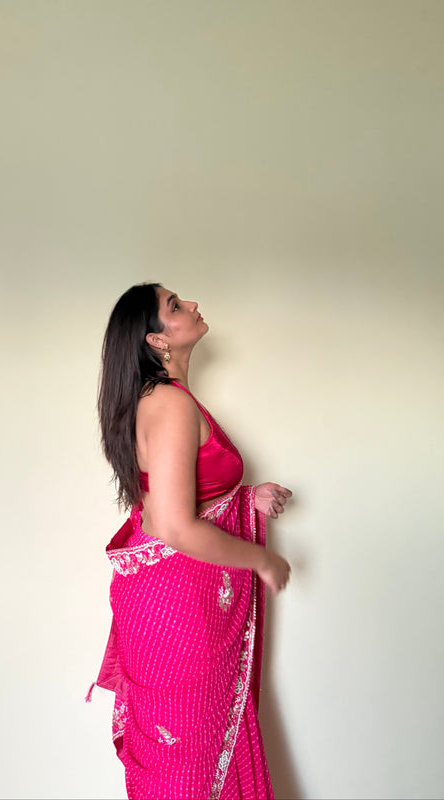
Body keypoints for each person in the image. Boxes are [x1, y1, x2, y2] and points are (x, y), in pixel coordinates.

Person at [87, 283, 292, 800]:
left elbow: (169, 500)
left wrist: (246, 499)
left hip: (167, 606)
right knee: (191, 771)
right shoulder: (170, 405)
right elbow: (176, 527)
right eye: (176, 306)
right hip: (180, 615)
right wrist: (261, 559)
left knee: (190, 765)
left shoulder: (156, 402)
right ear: (157, 340)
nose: (194, 305)